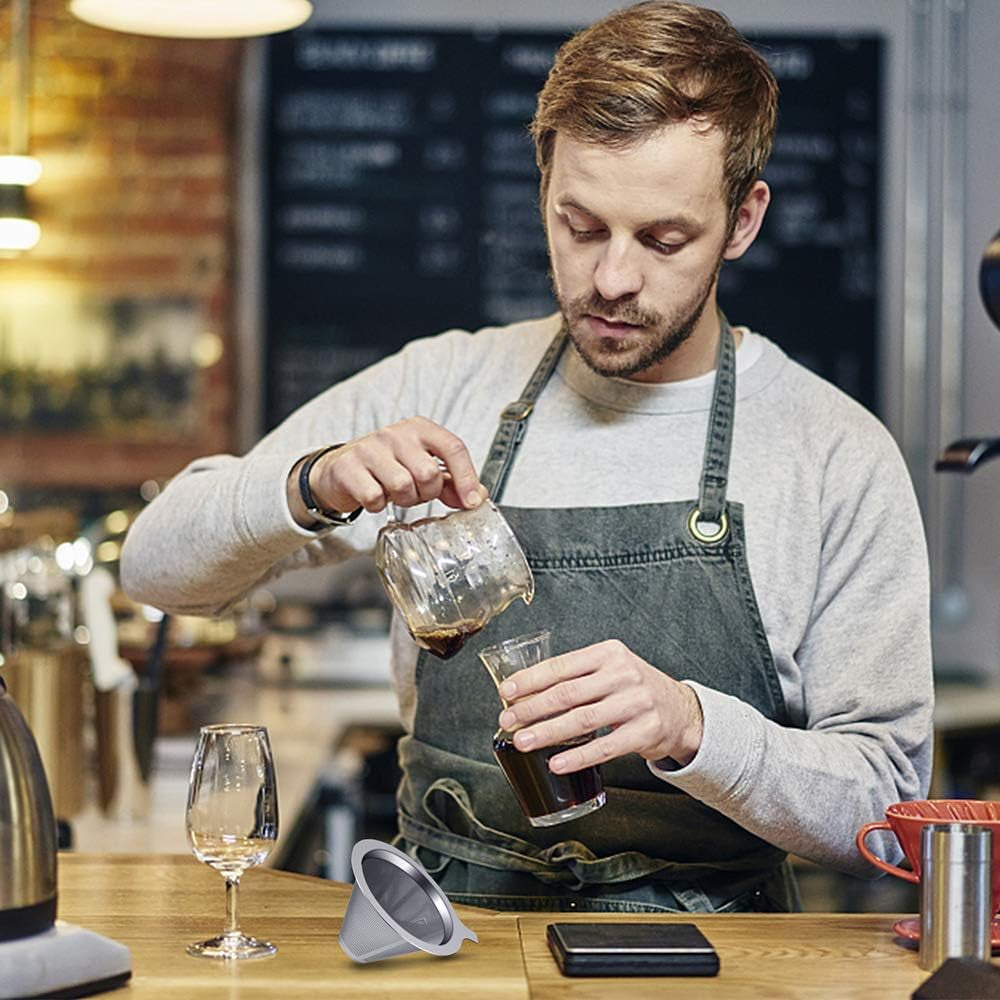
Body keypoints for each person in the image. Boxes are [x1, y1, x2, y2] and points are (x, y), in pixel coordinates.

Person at [121, 0, 933, 913]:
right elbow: (155, 571)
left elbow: (891, 809)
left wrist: (693, 726)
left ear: (742, 222)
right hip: (445, 941)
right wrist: (310, 484)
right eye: (580, 226)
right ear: (544, 186)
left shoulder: (834, 452)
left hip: (718, 958)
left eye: (664, 239)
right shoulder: (445, 382)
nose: (612, 279)